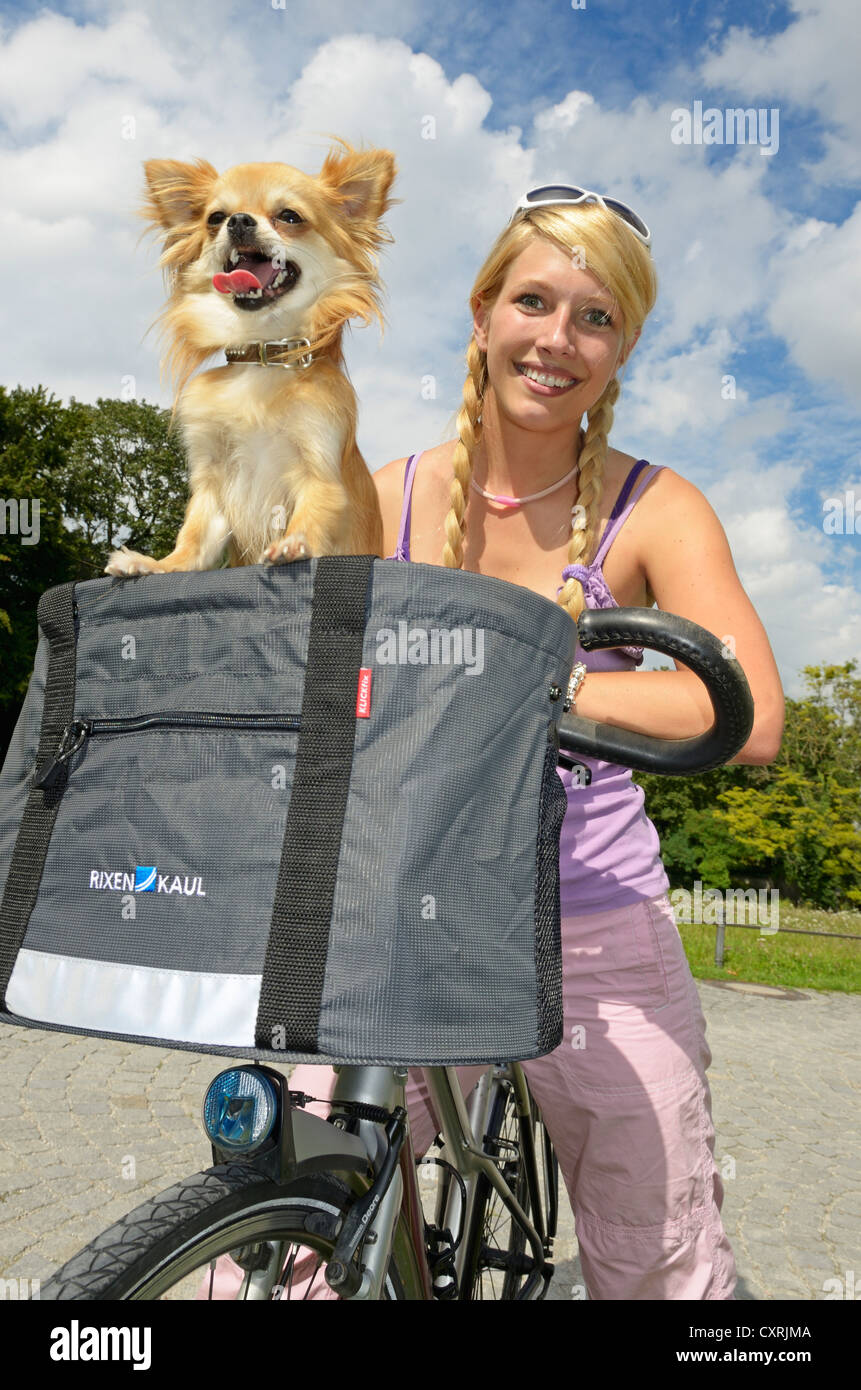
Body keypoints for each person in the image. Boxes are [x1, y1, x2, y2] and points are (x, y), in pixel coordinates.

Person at [269, 186, 784, 1301]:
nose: (557, 340)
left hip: (591, 925)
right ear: (483, 310)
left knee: (663, 1262)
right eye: (534, 301)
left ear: (625, 346)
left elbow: (743, 710)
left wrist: (531, 678)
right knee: (292, 1235)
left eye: (595, 318)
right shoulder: (388, 490)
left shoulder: (657, 505)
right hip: (406, 915)